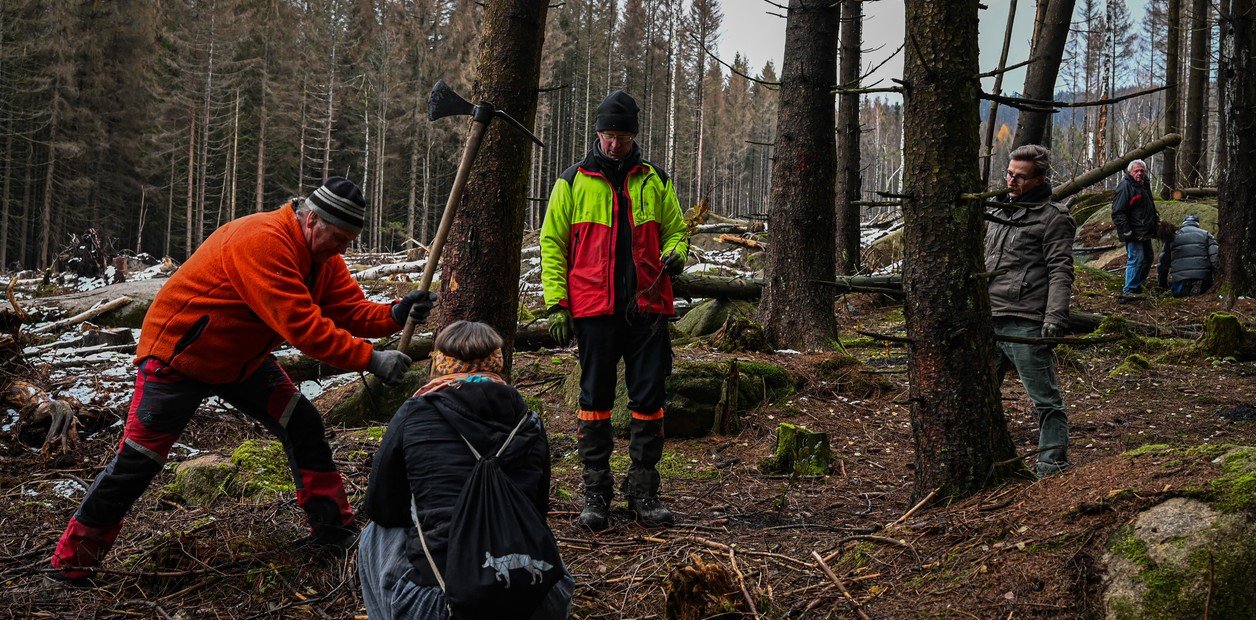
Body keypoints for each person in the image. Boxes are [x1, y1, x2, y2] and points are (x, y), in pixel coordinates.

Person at [49, 177, 435, 586]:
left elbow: (350, 308)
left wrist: (394, 313)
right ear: (311, 221)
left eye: (348, 241)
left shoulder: (323, 257)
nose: (342, 249)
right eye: (338, 238)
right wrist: (370, 358)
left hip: (241, 363)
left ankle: (333, 531)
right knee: (138, 461)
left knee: (301, 423)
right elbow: (303, 326)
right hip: (178, 360)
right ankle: (71, 564)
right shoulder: (263, 241)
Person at [539, 90, 689, 531]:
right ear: (597, 134)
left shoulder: (655, 180)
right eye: (607, 135)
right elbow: (553, 245)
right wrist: (556, 304)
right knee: (595, 402)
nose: (614, 144)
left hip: (648, 308)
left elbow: (677, 231)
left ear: (633, 135)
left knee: (648, 401)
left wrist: (677, 253)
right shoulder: (572, 181)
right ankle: (596, 493)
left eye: (621, 136)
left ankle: (644, 492)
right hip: (592, 310)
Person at [358, 321, 573, 619]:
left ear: (439, 364)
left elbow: (381, 506)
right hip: (533, 601)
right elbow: (537, 512)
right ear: (498, 364)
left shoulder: (414, 413)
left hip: (442, 604)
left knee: (375, 532)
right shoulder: (529, 421)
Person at [985, 144, 1075, 477]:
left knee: (1046, 402)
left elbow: (1061, 269)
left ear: (1038, 179)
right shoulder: (997, 212)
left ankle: (1051, 469)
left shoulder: (1054, 217)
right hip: (989, 320)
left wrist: (1054, 318)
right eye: (1009, 173)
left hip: (1026, 324)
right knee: (978, 397)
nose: (1011, 181)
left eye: (1020, 177)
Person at [1111, 159, 1160, 297]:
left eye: (1142, 171)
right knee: (1136, 258)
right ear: (1130, 172)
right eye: (1136, 171)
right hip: (1133, 231)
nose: (1139, 173)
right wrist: (1127, 231)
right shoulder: (1125, 186)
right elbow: (1117, 212)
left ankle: (1136, 286)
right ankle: (1129, 289)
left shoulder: (1145, 185)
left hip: (1145, 231)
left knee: (1148, 258)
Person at [1158, 215, 1220, 297]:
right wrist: (1218, 277)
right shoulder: (1206, 235)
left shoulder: (1172, 236)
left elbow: (1163, 263)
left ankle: (1183, 289)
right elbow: (1215, 258)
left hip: (1180, 279)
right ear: (1197, 224)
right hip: (1203, 278)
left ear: (1184, 223)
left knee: (1178, 294)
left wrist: (1162, 283)